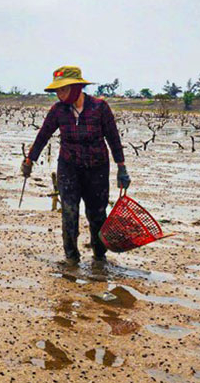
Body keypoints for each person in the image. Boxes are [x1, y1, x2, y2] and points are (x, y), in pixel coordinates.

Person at [21, 66, 130, 264]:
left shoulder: (100, 108)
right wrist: (30, 160)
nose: (59, 95)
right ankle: (71, 258)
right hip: (68, 167)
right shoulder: (58, 110)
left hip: (97, 168)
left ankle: (99, 256)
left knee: (97, 213)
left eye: (63, 90)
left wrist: (121, 168)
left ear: (77, 87)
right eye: (57, 91)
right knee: (69, 212)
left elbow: (113, 139)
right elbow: (43, 135)